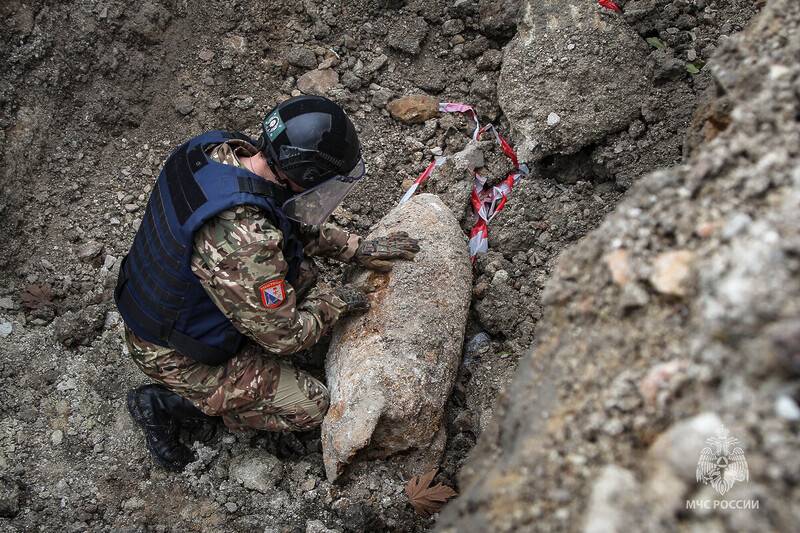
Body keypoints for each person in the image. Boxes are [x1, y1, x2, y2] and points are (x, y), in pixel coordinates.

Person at [115, 95, 420, 471]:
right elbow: (287, 335)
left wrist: (354, 249)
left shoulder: (221, 152)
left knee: (300, 273)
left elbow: (283, 218)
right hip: (175, 352)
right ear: (304, 174)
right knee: (310, 406)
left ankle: (244, 350)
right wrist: (335, 303)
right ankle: (169, 403)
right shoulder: (243, 240)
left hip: (172, 303)